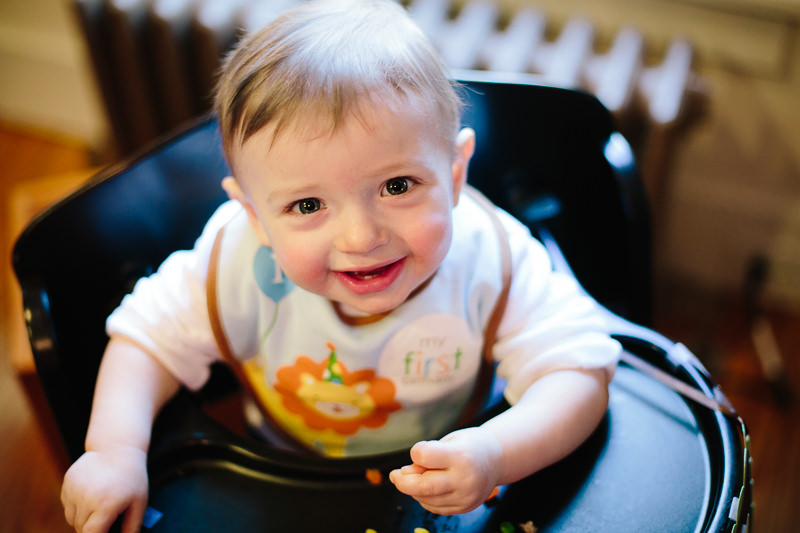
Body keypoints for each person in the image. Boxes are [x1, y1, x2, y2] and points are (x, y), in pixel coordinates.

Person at [60, 0, 621, 531]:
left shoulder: (490, 256)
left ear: (454, 175)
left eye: (397, 186)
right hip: (288, 478)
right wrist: (114, 450)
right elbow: (146, 342)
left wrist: (496, 452)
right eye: (308, 205)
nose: (361, 237)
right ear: (255, 216)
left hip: (452, 473)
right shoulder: (236, 263)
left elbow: (580, 371)